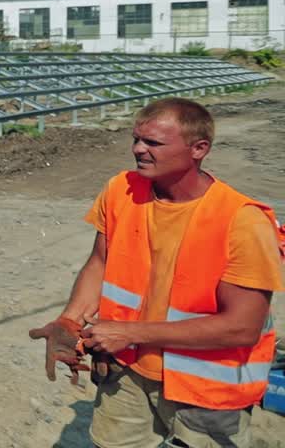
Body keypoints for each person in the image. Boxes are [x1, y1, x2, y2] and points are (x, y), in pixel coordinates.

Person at [30, 97, 284, 448]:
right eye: (136, 139)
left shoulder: (242, 220)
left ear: (199, 149)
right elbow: (99, 263)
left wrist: (129, 332)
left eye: (153, 143)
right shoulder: (121, 190)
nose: (138, 149)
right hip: (127, 373)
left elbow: (242, 327)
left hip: (206, 389)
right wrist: (70, 321)